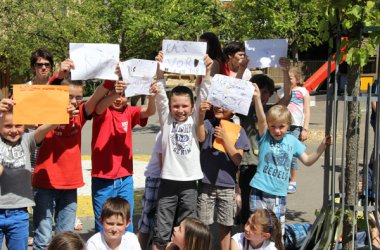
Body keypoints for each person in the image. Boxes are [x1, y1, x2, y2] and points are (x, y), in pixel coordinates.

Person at [32, 68, 116, 250]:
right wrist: (58, 76)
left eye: (78, 97)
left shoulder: (81, 115)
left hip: (70, 186)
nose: (73, 101)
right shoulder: (45, 112)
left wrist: (112, 75)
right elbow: (37, 132)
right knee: (43, 239)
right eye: (68, 96)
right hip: (45, 185)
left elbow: (97, 96)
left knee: (66, 239)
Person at [151, 51, 212, 250]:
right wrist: (159, 66)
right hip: (168, 180)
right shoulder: (166, 120)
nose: (180, 110)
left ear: (192, 106)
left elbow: (203, 90)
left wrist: (208, 69)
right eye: (175, 106)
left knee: (187, 231)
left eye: (184, 106)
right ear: (169, 107)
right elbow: (160, 91)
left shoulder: (196, 120)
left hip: (190, 182)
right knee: (162, 230)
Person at [250, 84, 332, 232]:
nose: (277, 130)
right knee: (257, 229)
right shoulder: (266, 137)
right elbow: (261, 120)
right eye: (273, 126)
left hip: (278, 193)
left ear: (288, 125)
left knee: (277, 232)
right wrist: (257, 99)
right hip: (259, 190)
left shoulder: (292, 141)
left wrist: (322, 146)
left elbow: (307, 160)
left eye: (281, 126)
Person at [0, 98, 74, 250]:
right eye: (7, 126)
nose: (13, 130)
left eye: (18, 125)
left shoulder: (27, 140)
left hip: (19, 214)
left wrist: (63, 113)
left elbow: (45, 128)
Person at [91, 78, 157, 233]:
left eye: (123, 95)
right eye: (114, 94)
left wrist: (152, 96)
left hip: (125, 178)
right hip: (103, 179)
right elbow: (99, 107)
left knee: (125, 222)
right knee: (103, 224)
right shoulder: (103, 111)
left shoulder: (129, 111)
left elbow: (149, 111)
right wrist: (115, 93)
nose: (119, 98)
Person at [236, 58, 292, 227]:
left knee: (268, 210)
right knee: (248, 208)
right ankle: (246, 239)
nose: (262, 94)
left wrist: (285, 71)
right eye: (259, 90)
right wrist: (241, 69)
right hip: (249, 164)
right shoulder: (243, 109)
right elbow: (233, 91)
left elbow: (288, 96)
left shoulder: (272, 112)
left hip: (269, 169)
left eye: (267, 92)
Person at [197, 101, 250, 250]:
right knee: (203, 224)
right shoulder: (208, 123)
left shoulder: (239, 130)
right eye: (217, 103)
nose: (219, 107)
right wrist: (200, 115)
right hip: (206, 182)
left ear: (233, 111)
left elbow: (237, 159)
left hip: (227, 185)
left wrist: (225, 139)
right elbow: (201, 137)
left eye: (224, 105)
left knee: (226, 225)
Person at [284, 66, 310, 194]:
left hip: (295, 127)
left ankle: (293, 180)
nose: (289, 81)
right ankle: (284, 178)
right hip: (283, 126)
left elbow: (306, 110)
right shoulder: (282, 92)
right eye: (287, 79)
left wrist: (305, 128)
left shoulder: (303, 91)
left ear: (298, 79)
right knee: (283, 153)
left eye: (291, 79)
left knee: (293, 154)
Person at [137, 132, 162, 250]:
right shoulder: (164, 131)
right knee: (147, 219)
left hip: (174, 180)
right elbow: (163, 162)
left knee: (164, 221)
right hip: (156, 177)